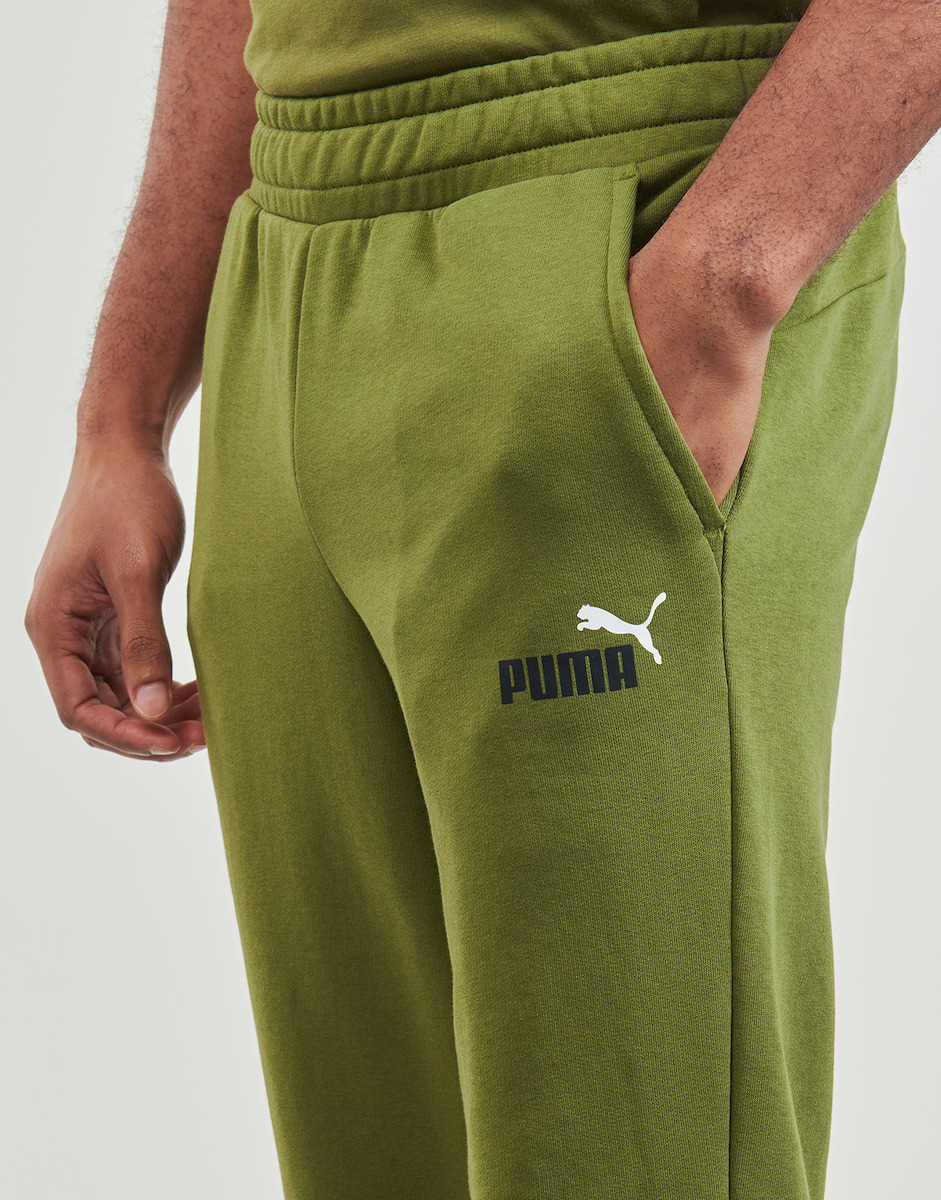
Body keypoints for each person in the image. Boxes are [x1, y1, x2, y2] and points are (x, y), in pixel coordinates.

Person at [23, 1, 941, 1196]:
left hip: (609, 207)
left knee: (626, 1153)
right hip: (282, 244)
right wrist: (123, 410)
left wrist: (722, 276)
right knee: (373, 1154)